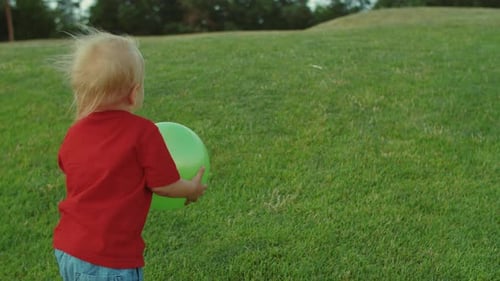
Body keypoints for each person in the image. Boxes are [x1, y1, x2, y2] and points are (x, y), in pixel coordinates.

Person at [54, 29, 207, 281]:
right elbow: (164, 185)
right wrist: (191, 189)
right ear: (134, 93)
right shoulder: (143, 133)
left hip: (68, 249)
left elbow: (67, 165)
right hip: (109, 259)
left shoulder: (75, 133)